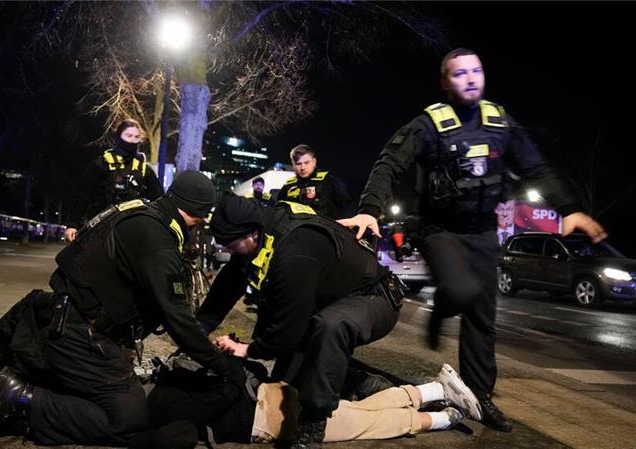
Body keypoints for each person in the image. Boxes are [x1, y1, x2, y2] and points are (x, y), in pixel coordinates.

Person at [338, 48, 607, 433]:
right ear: (445, 82)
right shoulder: (429, 125)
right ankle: (443, 306)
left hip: (482, 232)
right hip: (438, 229)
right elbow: (389, 162)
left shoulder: (500, 122)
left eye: (476, 70)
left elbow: (536, 167)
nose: (470, 78)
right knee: (461, 290)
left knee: (483, 317)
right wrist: (369, 209)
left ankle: (480, 397)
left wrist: (569, 208)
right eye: (459, 73)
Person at [0, 171, 245, 447]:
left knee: (113, 392)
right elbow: (178, 320)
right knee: (128, 419)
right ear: (197, 213)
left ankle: (33, 383)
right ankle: (23, 401)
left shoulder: (139, 212)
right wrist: (221, 365)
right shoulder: (159, 241)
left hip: (64, 318)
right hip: (79, 333)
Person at [196, 194, 403, 448]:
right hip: (331, 300)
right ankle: (359, 382)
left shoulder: (295, 252)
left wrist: (248, 349)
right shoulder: (259, 234)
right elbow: (225, 289)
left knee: (330, 326)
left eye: (230, 245)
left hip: (375, 297)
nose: (227, 251)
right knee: (285, 385)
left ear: (252, 234)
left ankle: (313, 425)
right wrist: (195, 332)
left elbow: (288, 330)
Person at [146, 361, 482, 447]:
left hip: (271, 421)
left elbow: (182, 436)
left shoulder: (159, 409)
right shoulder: (170, 381)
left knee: (369, 424)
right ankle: (436, 388)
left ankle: (446, 417)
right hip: (273, 394)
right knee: (361, 410)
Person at [64, 119, 163, 242]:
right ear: (118, 137)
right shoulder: (101, 164)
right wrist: (72, 225)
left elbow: (159, 200)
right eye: (128, 135)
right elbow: (83, 196)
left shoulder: (144, 169)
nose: (132, 140)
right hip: (100, 228)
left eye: (136, 137)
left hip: (131, 230)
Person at [277, 144, 354, 219]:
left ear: (314, 162)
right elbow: (278, 209)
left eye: (306, 163)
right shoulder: (288, 185)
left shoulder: (327, 181)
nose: (302, 167)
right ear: (293, 165)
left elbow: (348, 207)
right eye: (298, 164)